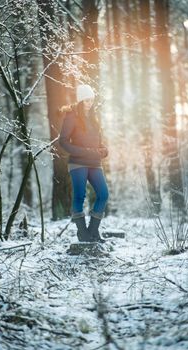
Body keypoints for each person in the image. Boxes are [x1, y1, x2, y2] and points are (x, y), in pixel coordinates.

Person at [59, 84, 109, 243]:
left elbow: (99, 142)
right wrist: (84, 151)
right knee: (80, 196)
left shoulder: (94, 117)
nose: (90, 103)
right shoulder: (71, 117)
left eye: (92, 100)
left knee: (103, 194)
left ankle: (93, 231)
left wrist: (103, 149)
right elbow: (63, 142)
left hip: (95, 162)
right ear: (80, 100)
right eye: (87, 100)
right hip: (78, 163)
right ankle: (83, 233)